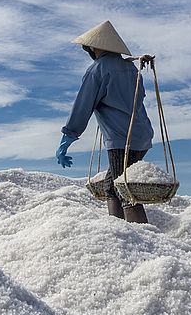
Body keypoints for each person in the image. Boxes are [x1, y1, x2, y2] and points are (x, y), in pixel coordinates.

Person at [55, 20, 154, 223]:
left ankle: (142, 239)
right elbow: (138, 97)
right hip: (142, 135)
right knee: (112, 187)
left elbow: (83, 105)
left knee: (124, 189)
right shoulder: (131, 68)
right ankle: (117, 231)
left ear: (95, 46)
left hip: (121, 138)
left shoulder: (98, 69)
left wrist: (68, 137)